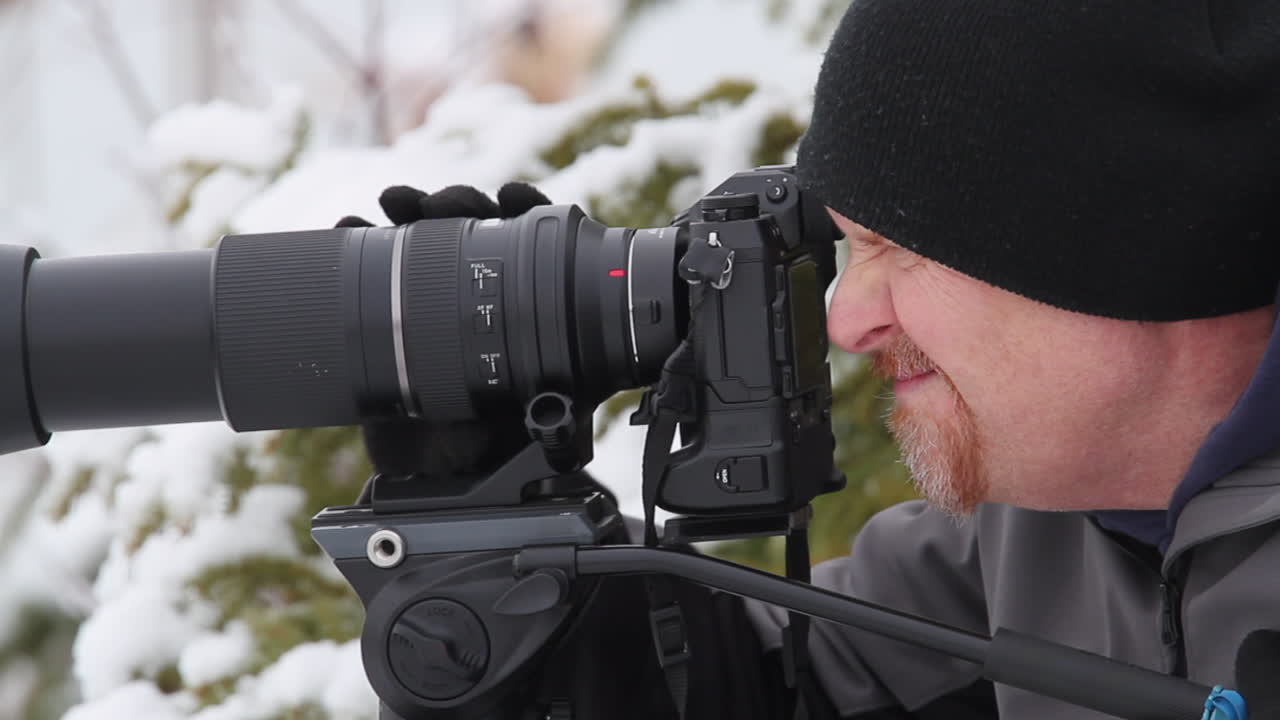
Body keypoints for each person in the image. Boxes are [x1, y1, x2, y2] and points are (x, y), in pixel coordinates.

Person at [350, 1, 1280, 717]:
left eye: (897, 249)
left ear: (1126, 254)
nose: (848, 319)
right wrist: (511, 555)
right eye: (848, 246)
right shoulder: (1030, 532)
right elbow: (777, 685)